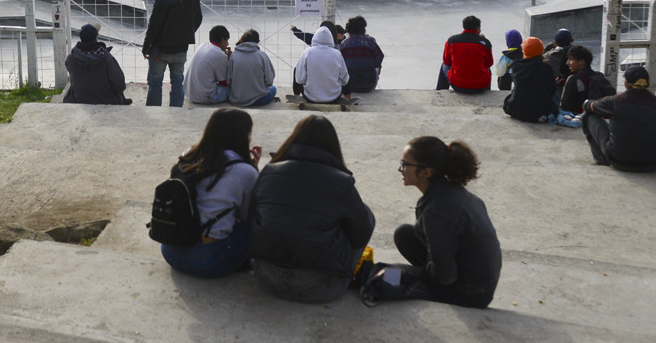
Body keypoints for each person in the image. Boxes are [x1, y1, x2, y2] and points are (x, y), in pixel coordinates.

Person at [249, 115, 375, 304]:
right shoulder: (342, 182)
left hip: (266, 279)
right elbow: (361, 234)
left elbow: (250, 217)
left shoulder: (270, 171)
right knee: (364, 215)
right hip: (319, 287)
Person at [389, 136, 501, 308]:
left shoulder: (436, 212)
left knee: (390, 275)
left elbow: (444, 276)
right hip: (475, 281)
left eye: (404, 164)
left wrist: (410, 277)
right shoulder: (451, 191)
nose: (399, 169)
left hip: (470, 294)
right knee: (403, 234)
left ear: (426, 172)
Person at [159, 108, 262, 279]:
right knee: (255, 225)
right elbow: (247, 215)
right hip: (208, 260)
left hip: (170, 250)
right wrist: (254, 170)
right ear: (243, 136)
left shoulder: (188, 156)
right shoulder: (245, 171)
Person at [581, 65, 656, 171]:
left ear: (625, 84)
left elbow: (589, 106)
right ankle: (653, 152)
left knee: (588, 116)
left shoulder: (614, 102)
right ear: (648, 84)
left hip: (618, 161)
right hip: (652, 163)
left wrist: (589, 103)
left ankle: (601, 160)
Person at [142, 0, 203, 107]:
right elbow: (198, 18)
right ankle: (176, 111)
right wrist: (186, 33)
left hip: (160, 50)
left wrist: (146, 47)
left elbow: (154, 26)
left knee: (155, 83)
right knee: (177, 82)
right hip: (181, 48)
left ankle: (154, 111)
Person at [64, 23, 130, 105]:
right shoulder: (106, 57)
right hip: (107, 100)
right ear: (96, 37)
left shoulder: (71, 58)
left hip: (78, 99)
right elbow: (120, 85)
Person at [502, 37, 557, 123]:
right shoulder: (546, 68)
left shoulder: (516, 65)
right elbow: (552, 90)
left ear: (523, 50)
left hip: (514, 109)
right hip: (538, 112)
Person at [294, 25, 351, 103]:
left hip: (310, 97)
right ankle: (348, 97)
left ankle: (296, 96)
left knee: (296, 70)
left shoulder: (307, 52)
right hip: (334, 97)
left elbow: (300, 79)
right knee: (345, 74)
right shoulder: (337, 54)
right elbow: (344, 79)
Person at [437, 15, 493, 92]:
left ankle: (440, 92)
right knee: (487, 68)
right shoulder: (485, 43)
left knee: (444, 65)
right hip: (480, 86)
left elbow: (447, 61)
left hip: (457, 85)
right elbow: (489, 63)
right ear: (478, 28)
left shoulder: (452, 41)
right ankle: (487, 91)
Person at [227, 30, 278, 108]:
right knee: (273, 88)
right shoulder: (262, 55)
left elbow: (229, 81)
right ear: (257, 41)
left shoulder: (234, 55)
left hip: (237, 99)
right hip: (259, 99)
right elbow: (269, 81)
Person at [559, 45, 615, 116]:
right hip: (600, 116)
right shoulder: (599, 76)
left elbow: (565, 106)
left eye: (570, 59)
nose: (567, 63)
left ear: (581, 62)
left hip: (580, 117)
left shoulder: (574, 79)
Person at [186, 25, 233, 105]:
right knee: (235, 90)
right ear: (222, 39)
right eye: (227, 40)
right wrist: (228, 61)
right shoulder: (220, 55)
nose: (227, 44)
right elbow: (223, 82)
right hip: (205, 97)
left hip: (191, 94)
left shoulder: (202, 45)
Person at [339, 15, 384, 92]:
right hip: (368, 85)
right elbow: (379, 58)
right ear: (363, 29)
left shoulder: (344, 44)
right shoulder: (370, 41)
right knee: (377, 66)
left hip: (349, 85)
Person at [544, 28, 574, 99]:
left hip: (553, 93)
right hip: (571, 93)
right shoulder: (575, 56)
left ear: (555, 42)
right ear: (570, 41)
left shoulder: (548, 56)